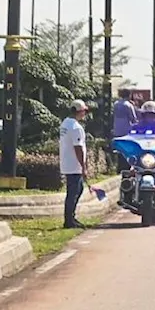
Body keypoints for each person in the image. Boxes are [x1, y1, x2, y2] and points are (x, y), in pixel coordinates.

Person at [59, 99, 90, 230]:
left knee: (78, 190)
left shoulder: (65, 123)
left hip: (67, 162)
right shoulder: (76, 127)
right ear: (79, 111)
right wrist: (83, 166)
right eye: (84, 111)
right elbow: (78, 148)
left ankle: (71, 217)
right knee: (73, 192)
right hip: (74, 164)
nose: (85, 114)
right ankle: (69, 220)